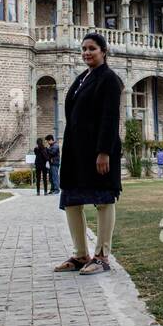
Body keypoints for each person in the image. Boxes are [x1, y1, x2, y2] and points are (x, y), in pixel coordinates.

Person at [53, 32, 123, 276]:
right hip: (76, 151)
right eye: (83, 49)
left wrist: (104, 152)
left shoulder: (109, 80)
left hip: (98, 150)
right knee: (72, 199)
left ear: (103, 51)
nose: (86, 53)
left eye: (91, 48)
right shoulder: (83, 77)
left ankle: (102, 256)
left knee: (104, 200)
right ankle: (80, 254)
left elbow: (110, 118)